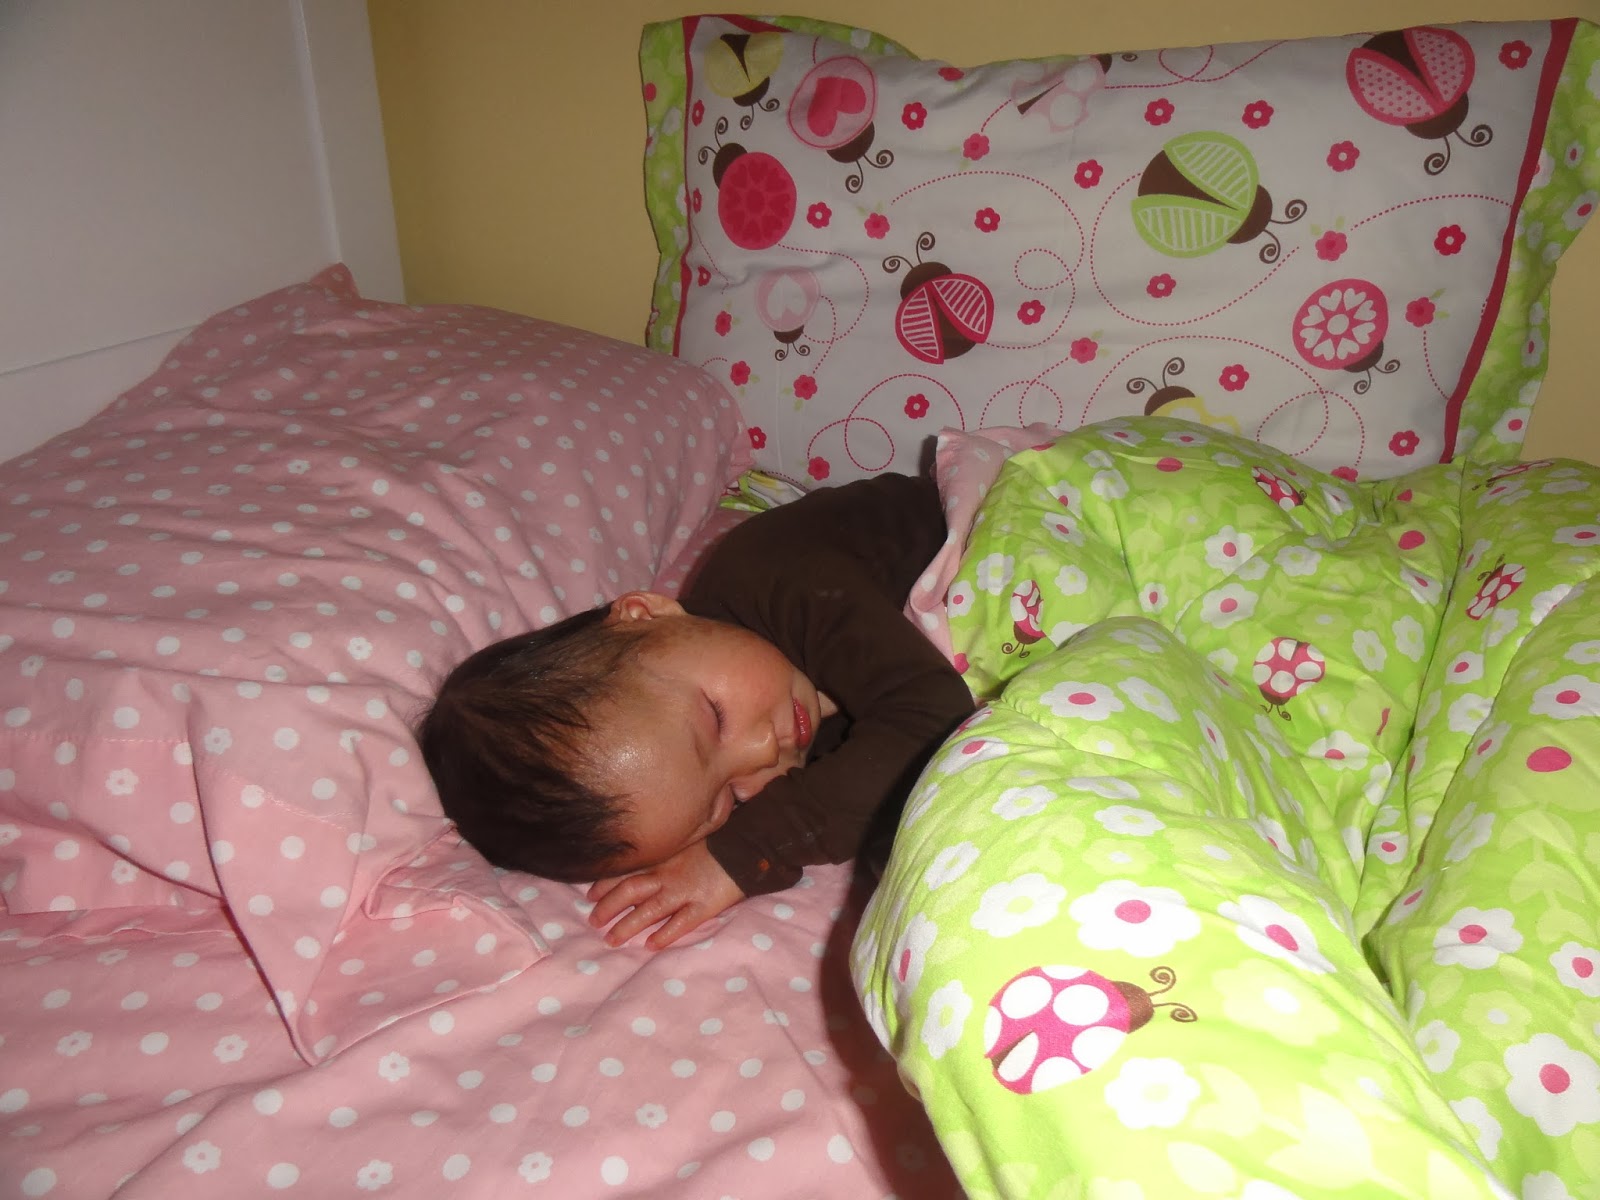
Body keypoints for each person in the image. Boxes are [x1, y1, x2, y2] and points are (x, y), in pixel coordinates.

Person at [418, 472, 974, 949]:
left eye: (715, 718)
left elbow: (934, 723)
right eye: (729, 801)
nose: (762, 756)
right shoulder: (780, 719)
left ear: (645, 614)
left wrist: (748, 851)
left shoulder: (775, 576)